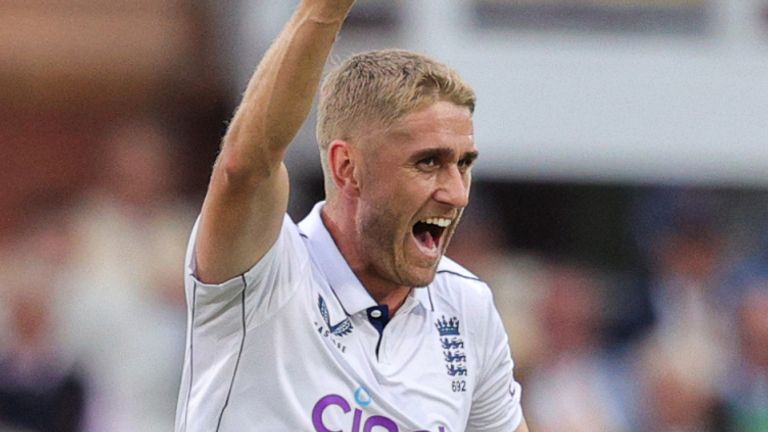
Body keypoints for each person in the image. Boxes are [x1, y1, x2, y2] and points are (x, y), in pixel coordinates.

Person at [175, 1, 528, 430]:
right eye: (428, 162)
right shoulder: (264, 274)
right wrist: (326, 8)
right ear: (348, 168)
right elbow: (246, 166)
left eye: (464, 164)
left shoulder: (467, 309)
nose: (457, 194)